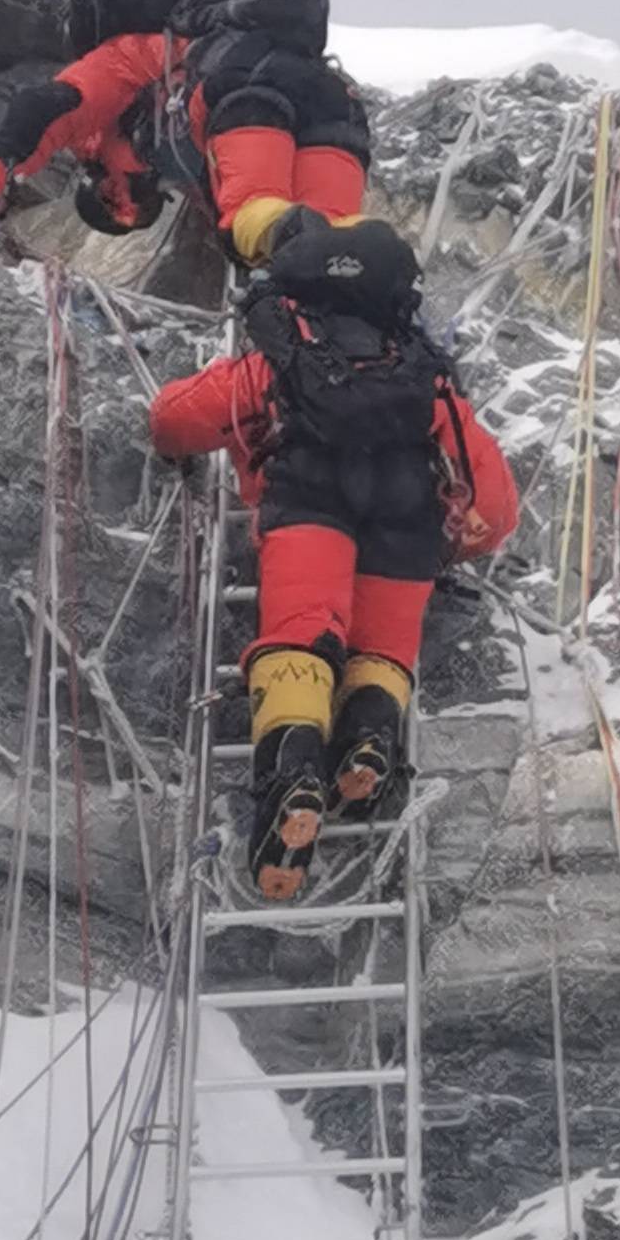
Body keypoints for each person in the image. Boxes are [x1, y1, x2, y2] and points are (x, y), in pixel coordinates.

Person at [145, 214, 520, 899]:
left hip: (308, 507)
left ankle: (292, 778)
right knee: (380, 654)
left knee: (302, 637)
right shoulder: (422, 378)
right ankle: (368, 745)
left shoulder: (279, 363)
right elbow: (493, 507)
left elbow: (174, 419)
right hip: (405, 526)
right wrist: (456, 543)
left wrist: (176, 440)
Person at [0, 0, 372, 266]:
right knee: (334, 253)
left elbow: (47, 106)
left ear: (102, 190)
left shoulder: (119, 83)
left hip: (244, 93)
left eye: (120, 211)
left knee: (256, 224)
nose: (134, 210)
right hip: (329, 103)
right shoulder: (169, 159)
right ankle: (379, 279)